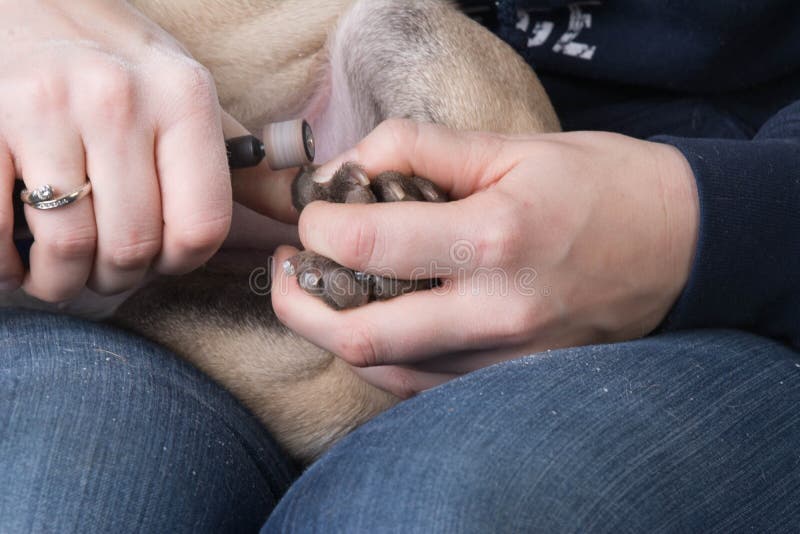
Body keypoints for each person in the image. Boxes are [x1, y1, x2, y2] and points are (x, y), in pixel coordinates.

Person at [1, 1, 798, 533]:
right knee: (51, 498)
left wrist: (685, 222)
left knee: (419, 509)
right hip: (99, 226)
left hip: (731, 259)